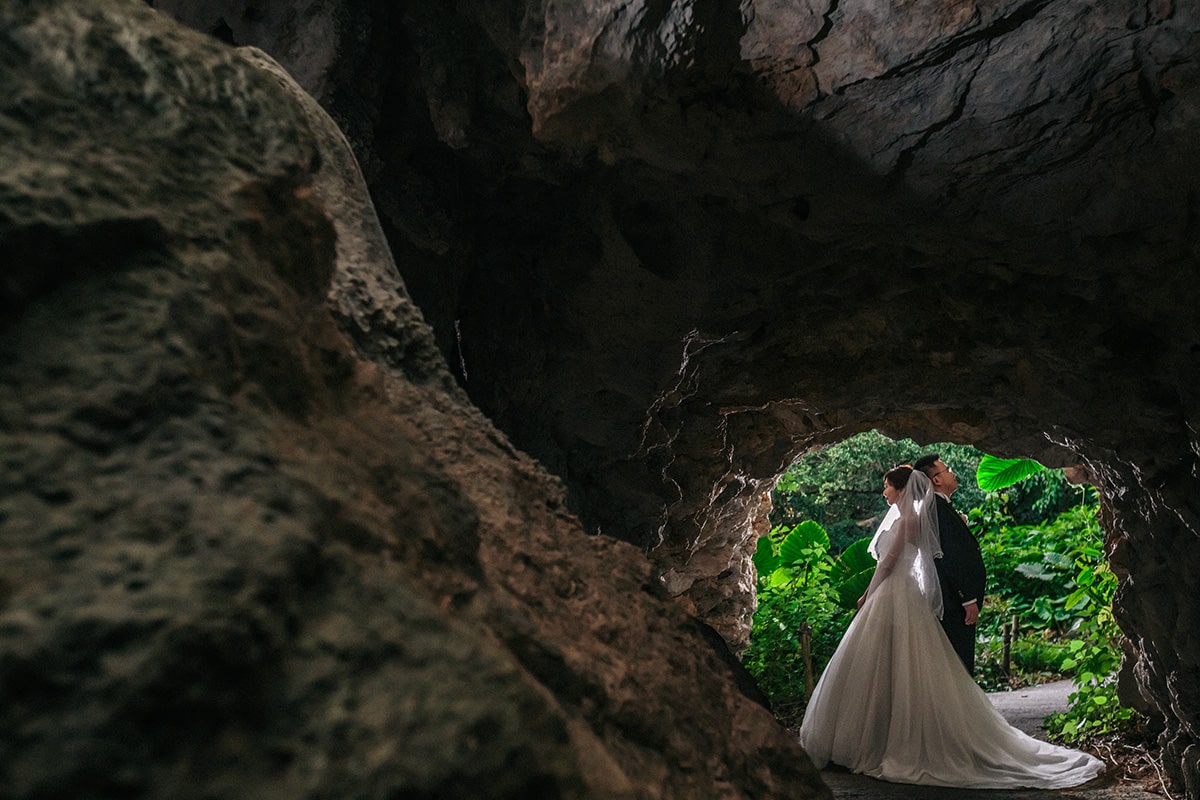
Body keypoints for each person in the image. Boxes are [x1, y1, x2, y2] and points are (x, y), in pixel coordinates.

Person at [798, 466, 1104, 788]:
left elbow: (888, 564)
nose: (884, 493)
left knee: (890, 662)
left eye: (887, 487)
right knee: (886, 663)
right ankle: (877, 734)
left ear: (901, 489)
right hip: (899, 593)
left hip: (892, 592)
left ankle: (878, 740)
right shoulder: (913, 518)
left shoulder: (908, 521)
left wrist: (866, 594)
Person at [913, 453, 987, 676]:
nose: (953, 473)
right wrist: (967, 597)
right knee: (959, 665)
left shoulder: (939, 507)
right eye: (948, 469)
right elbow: (949, 556)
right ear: (936, 479)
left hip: (954, 601)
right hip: (954, 602)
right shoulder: (935, 509)